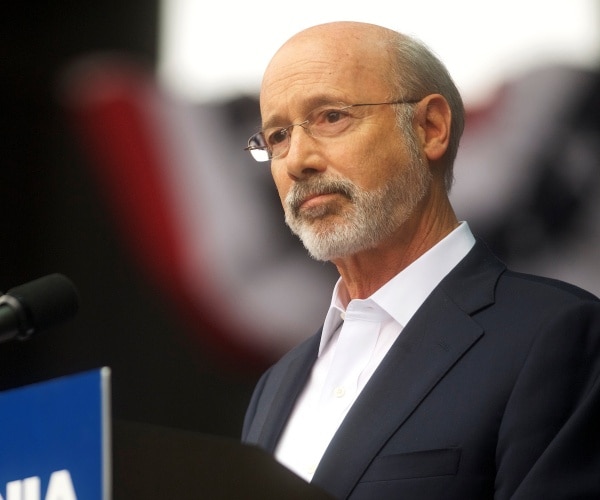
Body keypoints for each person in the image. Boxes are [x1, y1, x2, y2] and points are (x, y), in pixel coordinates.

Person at [241, 21, 600, 499]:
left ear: (430, 128)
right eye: (278, 135)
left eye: (330, 117)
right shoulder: (275, 386)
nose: (297, 160)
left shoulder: (558, 336)